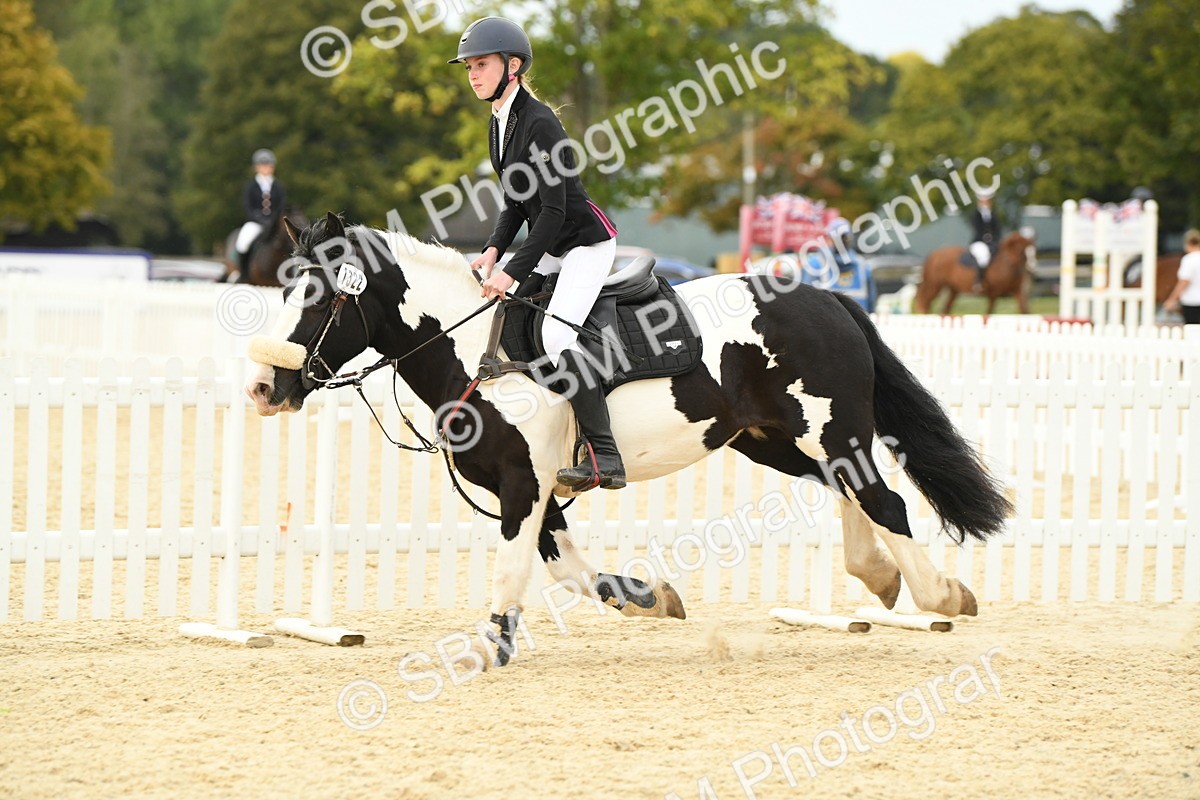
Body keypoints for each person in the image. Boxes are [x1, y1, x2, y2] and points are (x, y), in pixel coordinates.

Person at [449, 17, 624, 490]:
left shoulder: (541, 123)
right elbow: (514, 200)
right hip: (551, 245)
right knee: (505, 320)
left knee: (557, 336)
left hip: (584, 246)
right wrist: (492, 250)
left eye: (481, 65)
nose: (473, 75)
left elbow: (551, 211)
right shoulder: (499, 122)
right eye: (469, 67)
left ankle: (604, 454)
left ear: (514, 65)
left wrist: (512, 271)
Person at [234, 149, 286, 282]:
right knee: (243, 242)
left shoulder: (278, 187)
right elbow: (248, 206)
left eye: (269, 165)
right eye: (263, 165)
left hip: (273, 224)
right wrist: (260, 219)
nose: (266, 168)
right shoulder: (251, 186)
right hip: (255, 222)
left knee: (288, 241)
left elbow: (281, 206)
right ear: (257, 167)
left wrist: (273, 220)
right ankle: (243, 273)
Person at [1164, 228, 1200, 324]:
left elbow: (1184, 281)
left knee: (1192, 331)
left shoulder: (1189, 260)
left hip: (1192, 301)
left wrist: (1172, 299)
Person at [968, 189, 1001, 279]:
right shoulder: (975, 214)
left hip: (993, 242)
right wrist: (985, 238)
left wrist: (995, 239)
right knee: (983, 257)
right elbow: (977, 229)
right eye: (983, 200)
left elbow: (997, 229)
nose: (985, 202)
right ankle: (979, 281)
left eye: (987, 200)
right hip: (979, 242)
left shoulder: (993, 214)